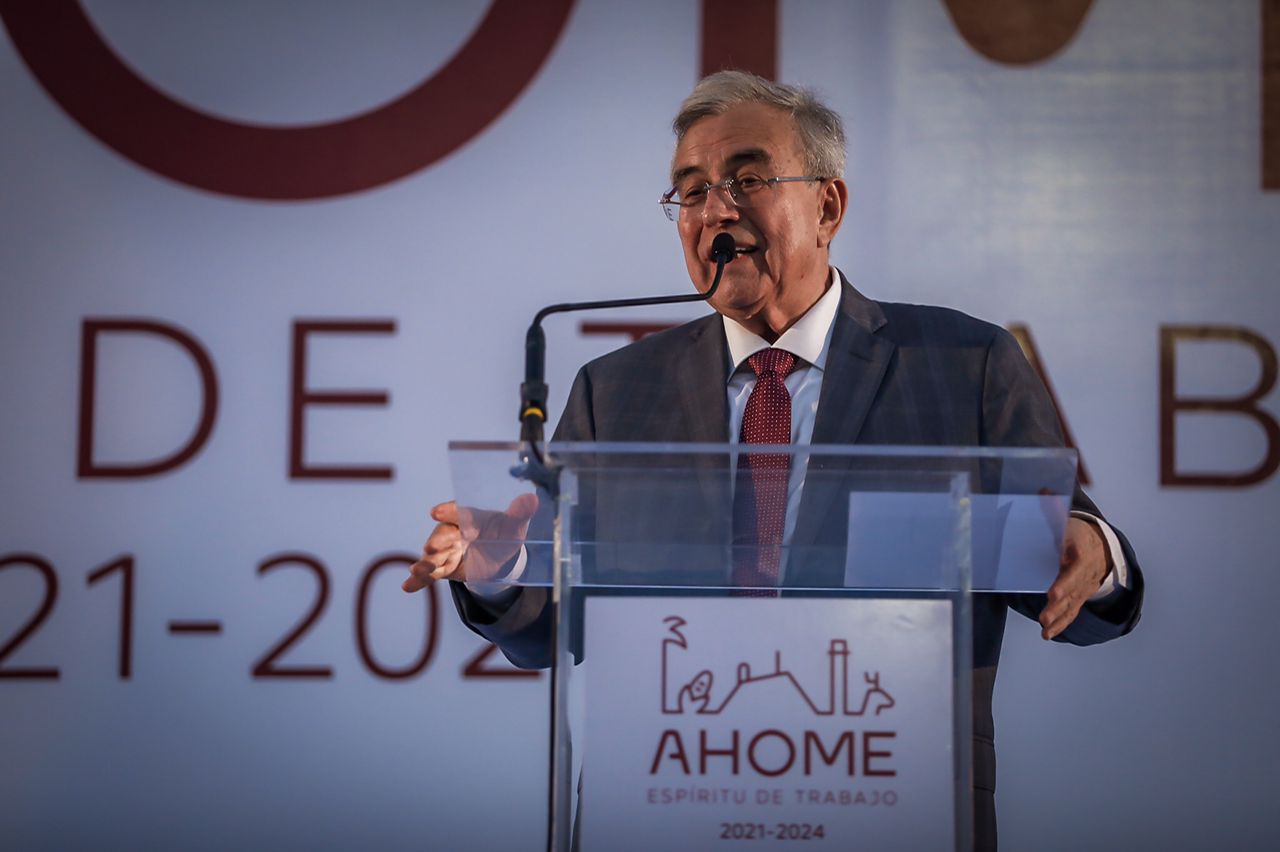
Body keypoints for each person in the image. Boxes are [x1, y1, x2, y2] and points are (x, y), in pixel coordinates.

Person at [403, 70, 1143, 851]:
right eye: (692, 191)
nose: (715, 210)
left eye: (747, 179)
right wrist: (505, 569)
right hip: (668, 800)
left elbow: (1069, 561)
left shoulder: (963, 364)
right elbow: (549, 628)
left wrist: (1091, 554)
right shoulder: (615, 392)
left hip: (893, 802)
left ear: (828, 207)